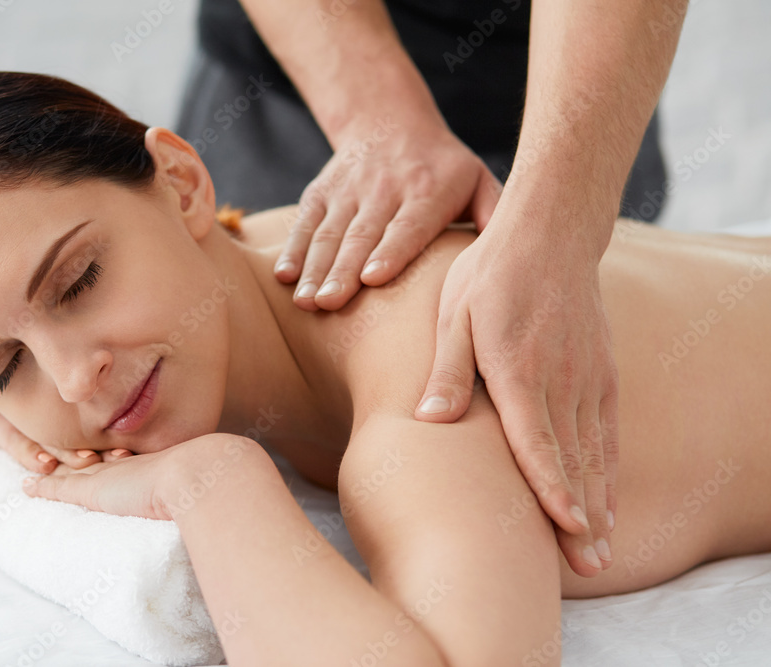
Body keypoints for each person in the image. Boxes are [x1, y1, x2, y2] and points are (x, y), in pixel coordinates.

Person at [0, 71, 771, 665]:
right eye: (2, 366)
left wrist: (209, 484)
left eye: (78, 282)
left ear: (179, 180)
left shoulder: (430, 395)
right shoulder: (247, 241)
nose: (75, 379)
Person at [176, 0, 690, 568]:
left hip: (575, 62)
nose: (77, 382)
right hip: (295, 62)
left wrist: (562, 223)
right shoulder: (211, 253)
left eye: (83, 280)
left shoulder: (417, 401)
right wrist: (378, 118)